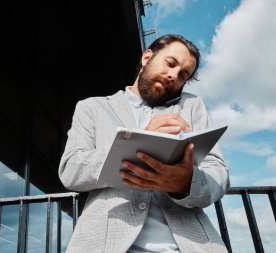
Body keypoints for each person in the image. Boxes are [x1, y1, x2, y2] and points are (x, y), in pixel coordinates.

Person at [58, 34, 230, 253]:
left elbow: (219, 173)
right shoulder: (92, 108)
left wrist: (186, 183)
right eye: (170, 63)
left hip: (189, 244)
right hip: (107, 243)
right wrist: (137, 140)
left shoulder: (192, 105)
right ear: (147, 57)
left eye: (183, 75)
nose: (173, 76)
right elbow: (70, 170)